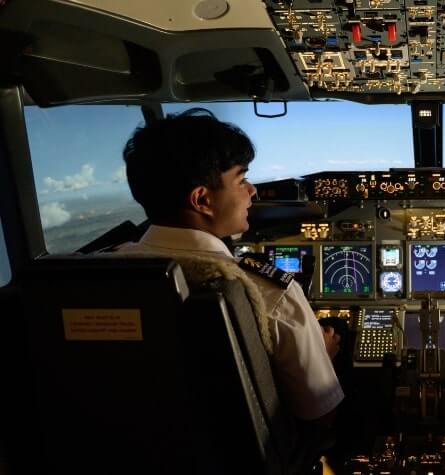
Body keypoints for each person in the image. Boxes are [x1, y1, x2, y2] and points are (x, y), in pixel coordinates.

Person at [116, 108, 344, 426]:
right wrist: (324, 356)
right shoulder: (268, 293)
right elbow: (321, 417)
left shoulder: (105, 275)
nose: (252, 191)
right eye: (242, 179)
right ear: (202, 200)